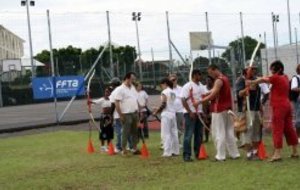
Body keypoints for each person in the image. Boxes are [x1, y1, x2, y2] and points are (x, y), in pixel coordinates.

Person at [250, 60, 298, 161]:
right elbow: (266, 78)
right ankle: (295, 151)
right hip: (287, 105)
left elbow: (264, 79)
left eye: (273, 69)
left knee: (277, 129)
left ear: (279, 69)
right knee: (289, 129)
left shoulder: (276, 78)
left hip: (279, 106)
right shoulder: (284, 77)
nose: (272, 71)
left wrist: (252, 81)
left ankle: (277, 154)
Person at [196, 64, 240, 161]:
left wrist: (199, 101)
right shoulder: (225, 78)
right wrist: (206, 93)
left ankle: (220, 156)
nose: (210, 75)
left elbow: (213, 95)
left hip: (219, 109)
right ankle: (234, 154)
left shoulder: (219, 80)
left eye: (210, 72)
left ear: (214, 69)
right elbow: (214, 91)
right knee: (229, 132)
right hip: (227, 109)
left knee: (218, 132)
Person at [237, 66, 270, 160]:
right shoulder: (241, 80)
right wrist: (245, 90)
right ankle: (249, 153)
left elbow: (260, 94)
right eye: (251, 69)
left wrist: (261, 106)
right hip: (246, 109)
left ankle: (255, 151)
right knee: (247, 130)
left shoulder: (256, 80)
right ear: (246, 71)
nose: (254, 71)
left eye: (254, 69)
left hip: (256, 109)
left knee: (257, 130)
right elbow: (239, 93)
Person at [181, 69, 207, 162]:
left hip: (199, 113)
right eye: (199, 75)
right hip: (190, 113)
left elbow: (204, 99)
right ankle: (187, 155)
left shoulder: (202, 86)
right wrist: (190, 112)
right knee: (188, 135)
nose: (201, 77)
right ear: (195, 75)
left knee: (199, 135)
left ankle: (198, 153)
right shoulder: (187, 86)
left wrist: (203, 112)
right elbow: (183, 100)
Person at [114, 72, 140, 155]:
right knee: (125, 132)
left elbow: (135, 100)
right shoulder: (120, 89)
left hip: (134, 113)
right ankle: (123, 149)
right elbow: (116, 102)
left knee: (135, 132)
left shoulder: (132, 87)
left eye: (134, 79)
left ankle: (134, 148)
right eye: (132, 79)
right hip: (126, 114)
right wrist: (120, 115)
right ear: (127, 79)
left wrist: (138, 112)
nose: (133, 81)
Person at [153, 78, 180, 157]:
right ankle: (176, 151)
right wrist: (157, 108)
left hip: (166, 114)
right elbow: (168, 104)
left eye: (161, 85)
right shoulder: (172, 92)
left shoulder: (164, 92)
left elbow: (164, 104)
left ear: (164, 84)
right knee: (174, 133)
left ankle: (167, 152)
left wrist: (156, 111)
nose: (161, 87)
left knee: (166, 133)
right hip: (173, 113)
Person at [92, 87, 113, 152]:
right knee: (103, 131)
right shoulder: (102, 99)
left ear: (110, 93)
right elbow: (94, 102)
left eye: (108, 92)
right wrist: (89, 101)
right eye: (105, 92)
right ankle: (103, 147)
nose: (106, 93)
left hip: (110, 118)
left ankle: (109, 146)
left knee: (109, 132)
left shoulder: (112, 99)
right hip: (104, 118)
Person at [169, 73, 184, 146]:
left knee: (180, 127)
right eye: (171, 80)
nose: (173, 81)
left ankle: (178, 141)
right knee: (172, 127)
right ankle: (173, 142)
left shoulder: (181, 88)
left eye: (174, 80)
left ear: (176, 80)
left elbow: (183, 98)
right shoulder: (168, 89)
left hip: (180, 110)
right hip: (171, 111)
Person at [109, 77, 123, 153]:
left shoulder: (114, 92)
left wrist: (110, 115)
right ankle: (130, 146)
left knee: (119, 132)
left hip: (118, 115)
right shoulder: (124, 90)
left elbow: (113, 105)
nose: (111, 85)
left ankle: (118, 147)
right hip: (125, 114)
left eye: (112, 84)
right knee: (126, 131)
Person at [291, 64, 300, 143]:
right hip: (298, 101)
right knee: (298, 119)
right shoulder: (295, 78)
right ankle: (298, 137)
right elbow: (293, 88)